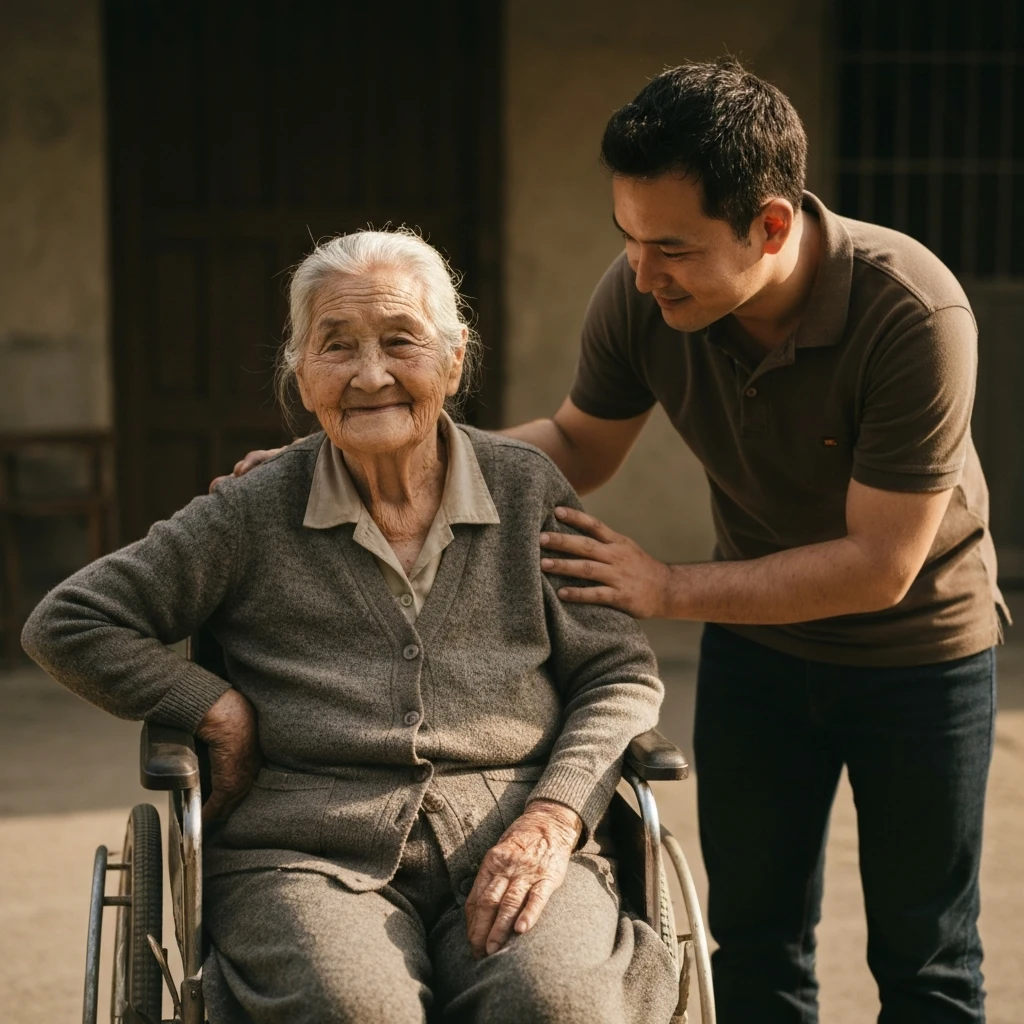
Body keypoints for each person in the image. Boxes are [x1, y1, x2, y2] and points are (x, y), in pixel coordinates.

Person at [227, 59, 1007, 1023]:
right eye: (627, 238)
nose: (641, 271)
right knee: (758, 946)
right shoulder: (649, 291)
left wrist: (667, 586)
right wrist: (367, 449)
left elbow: (881, 566)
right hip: (758, 650)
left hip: (918, 656)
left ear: (768, 225)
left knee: (926, 958)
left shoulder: (910, 312)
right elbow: (575, 447)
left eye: (670, 247)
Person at [21, 229, 679, 1024]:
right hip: (302, 853)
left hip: (519, 835)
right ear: (302, 374)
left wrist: (555, 814)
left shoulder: (526, 490)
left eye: (401, 341)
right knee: (352, 1011)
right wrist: (214, 707)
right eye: (337, 346)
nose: (372, 376)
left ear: (454, 359)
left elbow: (618, 673)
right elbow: (68, 621)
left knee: (557, 1003)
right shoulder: (253, 508)